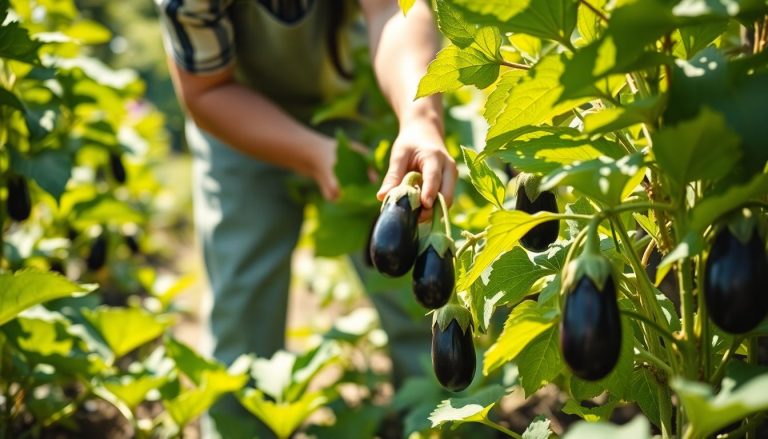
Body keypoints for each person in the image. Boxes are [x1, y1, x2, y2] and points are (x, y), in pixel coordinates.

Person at [155, 0, 457, 436]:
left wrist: (420, 117)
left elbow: (393, 9)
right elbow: (205, 91)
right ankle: (238, 427)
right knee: (245, 300)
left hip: (358, 91)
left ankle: (442, 421)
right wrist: (315, 154)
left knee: (413, 290)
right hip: (236, 113)